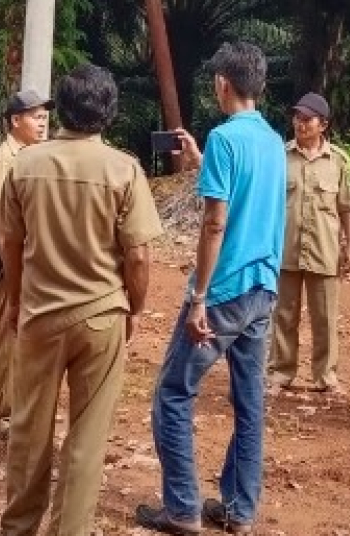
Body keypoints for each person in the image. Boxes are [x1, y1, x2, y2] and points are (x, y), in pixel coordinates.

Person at [0, 64, 163, 536]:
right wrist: (134, 308)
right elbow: (140, 256)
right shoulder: (124, 169)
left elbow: (8, 241)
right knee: (87, 437)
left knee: (29, 430)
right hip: (101, 314)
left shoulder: (25, 165)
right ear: (109, 113)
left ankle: (19, 527)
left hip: (39, 315)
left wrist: (14, 301)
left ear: (61, 109)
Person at [135, 42, 286, 535]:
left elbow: (216, 222)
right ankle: (240, 510)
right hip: (263, 289)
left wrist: (198, 297)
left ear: (223, 83)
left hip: (222, 292)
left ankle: (182, 507)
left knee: (173, 394)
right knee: (249, 402)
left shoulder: (226, 138)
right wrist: (201, 160)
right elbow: (247, 199)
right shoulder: (272, 141)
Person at [266, 93, 350, 393]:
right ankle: (281, 372)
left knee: (325, 317)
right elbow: (268, 204)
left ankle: (326, 375)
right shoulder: (280, 157)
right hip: (286, 249)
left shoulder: (339, 162)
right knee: (284, 314)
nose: (300, 124)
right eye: (297, 118)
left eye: (307, 119)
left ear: (323, 124)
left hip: (324, 249)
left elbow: (347, 206)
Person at [0, 89, 53, 437]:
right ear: (15, 121)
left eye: (44, 117)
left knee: (23, 335)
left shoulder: (30, 156)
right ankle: (2, 415)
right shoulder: (5, 160)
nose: (42, 123)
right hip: (13, 265)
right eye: (35, 117)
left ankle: (18, 407)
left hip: (27, 262)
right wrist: (13, 274)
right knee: (8, 337)